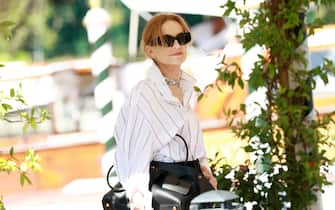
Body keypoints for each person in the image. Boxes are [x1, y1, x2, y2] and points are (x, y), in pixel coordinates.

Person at [113, 13, 217, 210]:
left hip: (192, 189)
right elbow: (135, 152)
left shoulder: (186, 89)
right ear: (150, 50)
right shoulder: (145, 93)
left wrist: (206, 171)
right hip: (164, 194)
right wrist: (137, 198)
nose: (177, 45)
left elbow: (193, 145)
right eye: (167, 41)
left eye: (182, 38)